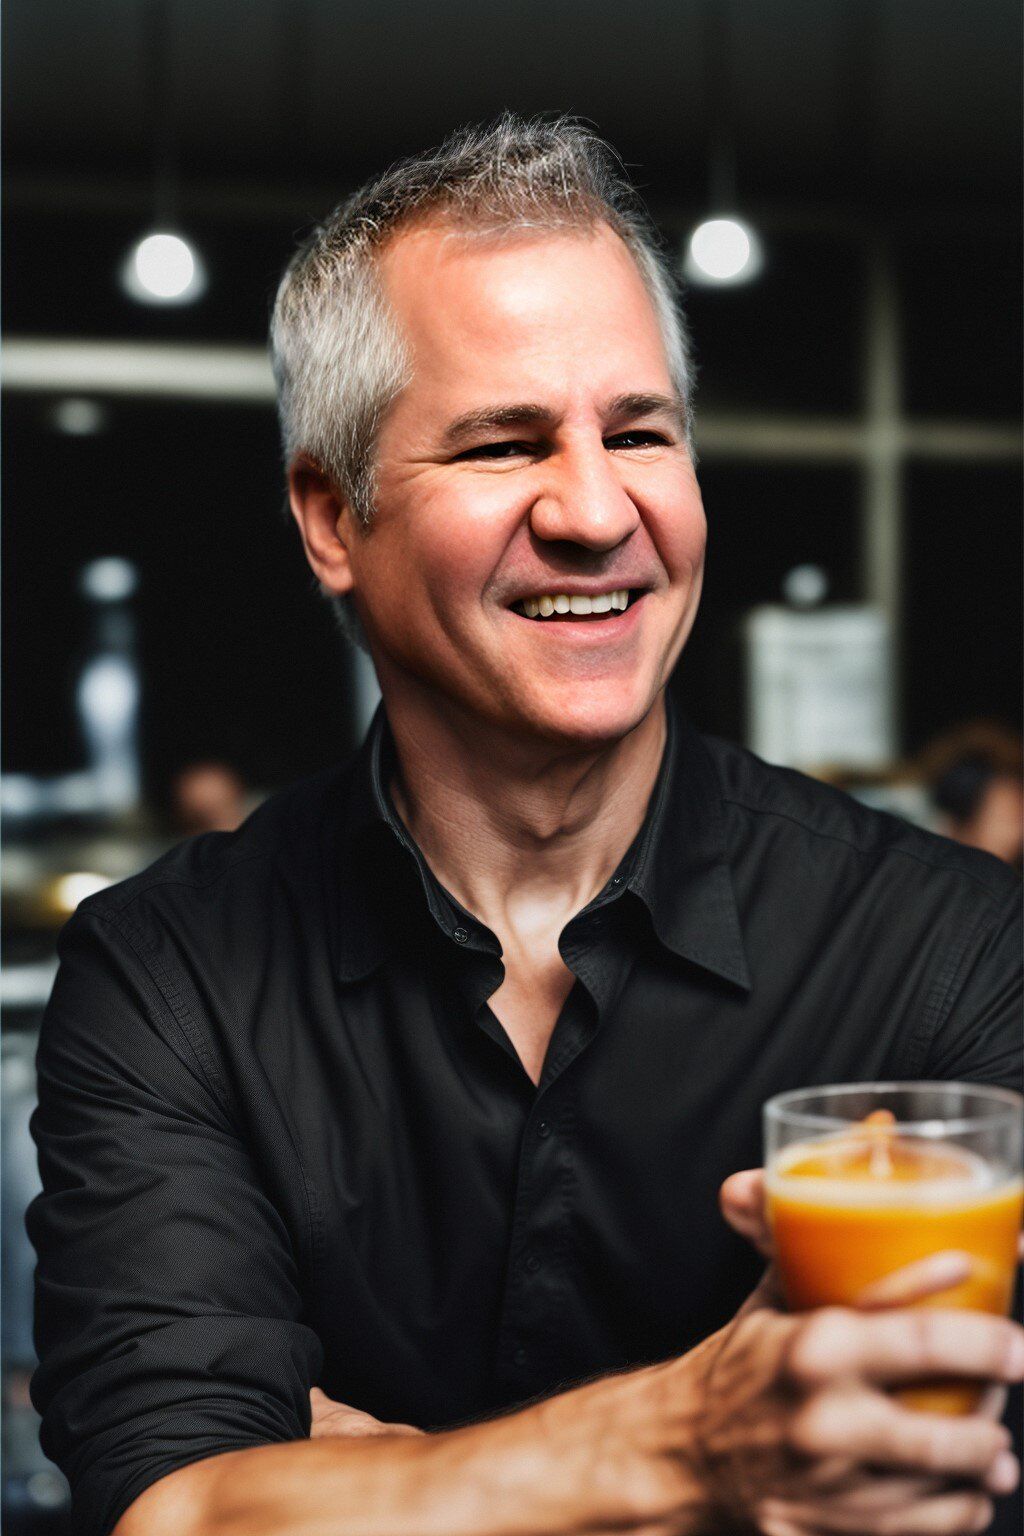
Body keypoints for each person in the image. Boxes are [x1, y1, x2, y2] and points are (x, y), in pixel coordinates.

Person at [29, 117, 1022, 1536]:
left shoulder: (951, 947)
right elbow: (177, 1514)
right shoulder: (167, 972)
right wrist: (694, 1447)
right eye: (504, 444)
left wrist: (365, 1479)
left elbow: (937, 1475)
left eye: (637, 432)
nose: (594, 509)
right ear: (330, 518)